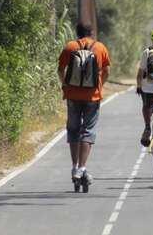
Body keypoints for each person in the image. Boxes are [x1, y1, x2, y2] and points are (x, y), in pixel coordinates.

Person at [58, 22, 110, 185]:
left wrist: (65, 85)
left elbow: (60, 69)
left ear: (77, 32)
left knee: (73, 129)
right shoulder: (100, 47)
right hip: (92, 97)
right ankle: (82, 167)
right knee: (88, 131)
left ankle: (74, 167)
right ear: (91, 33)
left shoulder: (70, 46)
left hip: (72, 95)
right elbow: (107, 71)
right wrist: (100, 85)